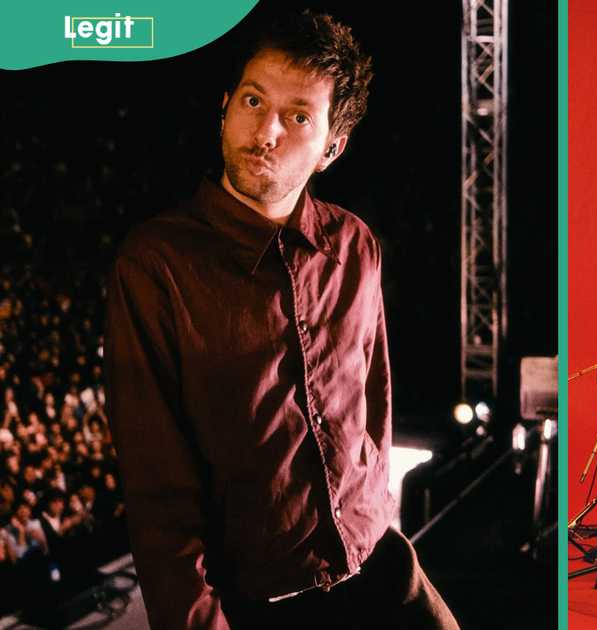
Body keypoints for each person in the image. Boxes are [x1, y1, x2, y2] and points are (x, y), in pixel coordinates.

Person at [104, 11, 457, 630]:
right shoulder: (155, 264)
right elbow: (158, 494)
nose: (265, 130)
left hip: (381, 565)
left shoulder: (355, 244)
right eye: (252, 100)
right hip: (264, 607)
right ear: (224, 107)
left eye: (298, 116)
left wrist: (372, 511)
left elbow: (372, 403)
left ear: (331, 147)